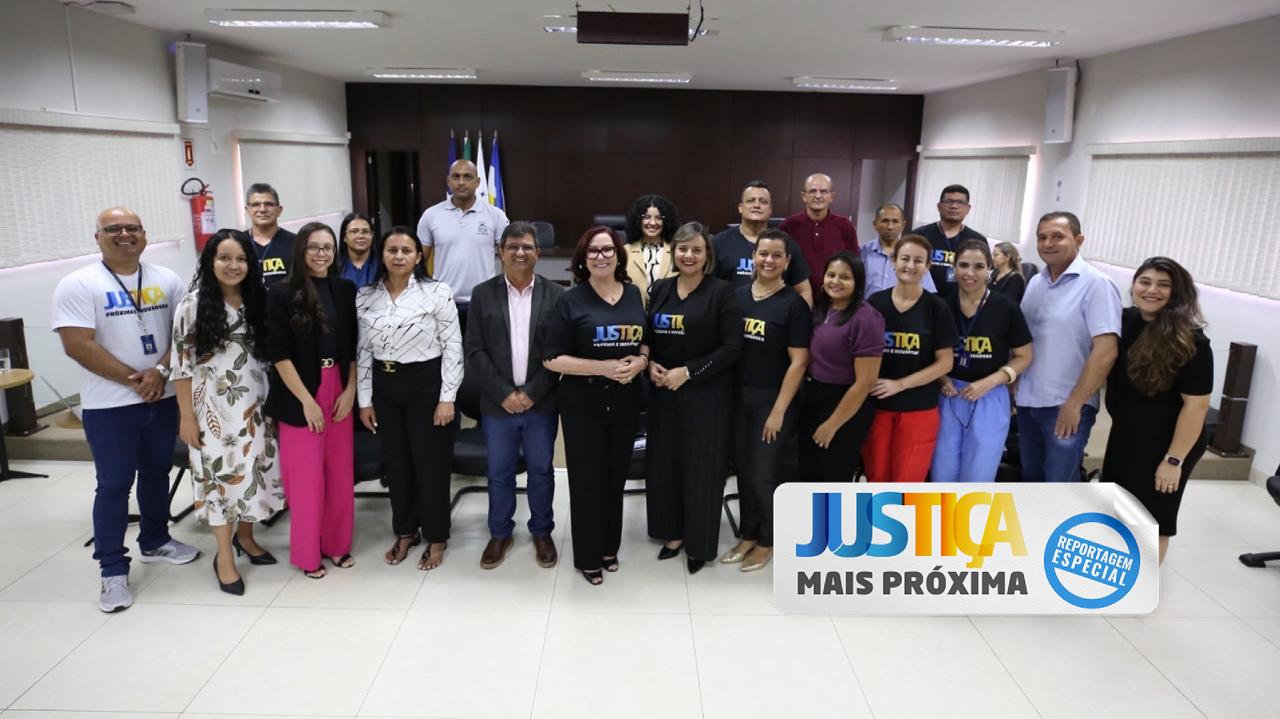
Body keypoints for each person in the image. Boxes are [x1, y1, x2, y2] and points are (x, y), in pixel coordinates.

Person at [52, 207, 200, 612]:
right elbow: (77, 344)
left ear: (144, 235)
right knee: (114, 485)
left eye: (131, 228)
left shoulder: (166, 279)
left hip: (163, 398)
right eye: (113, 229)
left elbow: (183, 334)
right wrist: (135, 380)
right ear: (97, 236)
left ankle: (155, 540)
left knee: (156, 473)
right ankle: (112, 570)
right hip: (110, 405)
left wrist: (161, 372)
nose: (124, 234)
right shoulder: (79, 283)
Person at [170, 229, 284, 595]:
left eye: (241, 259)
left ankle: (246, 538)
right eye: (224, 258)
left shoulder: (258, 299)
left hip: (258, 404)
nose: (233, 265)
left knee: (254, 473)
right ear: (211, 261)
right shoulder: (192, 305)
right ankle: (223, 556)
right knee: (221, 481)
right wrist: (186, 417)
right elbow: (181, 367)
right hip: (212, 411)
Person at [544, 226, 648, 586]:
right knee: (588, 482)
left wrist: (641, 361)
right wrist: (602, 367)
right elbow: (552, 359)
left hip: (625, 401)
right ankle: (588, 557)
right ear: (583, 259)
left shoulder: (633, 294)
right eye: (593, 251)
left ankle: (608, 549)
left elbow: (645, 341)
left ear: (618, 255)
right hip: (582, 402)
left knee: (615, 479)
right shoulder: (570, 300)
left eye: (607, 250)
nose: (601, 256)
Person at [356, 227, 461, 571]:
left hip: (426, 386)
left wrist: (447, 398)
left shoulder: (437, 292)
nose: (399, 256)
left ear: (419, 256)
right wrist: (365, 400)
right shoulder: (366, 296)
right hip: (386, 387)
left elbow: (453, 347)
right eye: (392, 250)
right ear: (382, 255)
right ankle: (405, 531)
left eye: (406, 250)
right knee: (397, 465)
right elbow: (362, 351)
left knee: (430, 466)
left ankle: (436, 535)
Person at [464, 221, 565, 570]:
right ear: (500, 252)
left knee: (541, 470)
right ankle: (500, 533)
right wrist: (505, 393)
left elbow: (559, 350)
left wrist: (532, 393)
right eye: (512, 247)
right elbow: (474, 349)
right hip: (498, 404)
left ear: (538, 252)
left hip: (541, 401)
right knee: (499, 472)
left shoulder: (557, 295)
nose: (520, 253)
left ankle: (542, 531)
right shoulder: (482, 294)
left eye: (527, 247)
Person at [645, 222, 742, 574]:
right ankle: (672, 534)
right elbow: (648, 336)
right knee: (664, 465)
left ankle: (699, 543)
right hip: (663, 394)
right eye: (683, 249)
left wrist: (687, 372)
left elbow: (732, 347)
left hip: (706, 394)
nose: (689, 255)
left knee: (703, 470)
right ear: (674, 252)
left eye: (696, 250)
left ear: (707, 255)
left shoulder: (722, 292)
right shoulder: (661, 288)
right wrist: (650, 364)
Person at [264, 222, 358, 578]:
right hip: (300, 391)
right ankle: (307, 555)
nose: (322, 253)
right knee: (306, 481)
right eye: (314, 247)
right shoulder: (281, 292)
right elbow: (278, 353)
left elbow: (352, 346)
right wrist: (306, 400)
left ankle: (337, 545)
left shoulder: (344, 289)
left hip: (339, 387)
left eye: (328, 247)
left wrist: (350, 390)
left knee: (339, 476)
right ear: (301, 251)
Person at [1103, 257, 1212, 563]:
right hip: (1127, 434)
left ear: (1178, 293)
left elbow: (1197, 406)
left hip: (1170, 442)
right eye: (1145, 282)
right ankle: (1118, 574)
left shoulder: (1191, 340)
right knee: (1118, 508)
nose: (1152, 290)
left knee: (1153, 519)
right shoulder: (1124, 321)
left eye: (1163, 285)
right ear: (1134, 285)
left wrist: (1173, 461)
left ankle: (1142, 581)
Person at [724, 229, 811, 572]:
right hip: (738, 398)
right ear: (753, 257)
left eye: (777, 255)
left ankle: (768, 540)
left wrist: (778, 411)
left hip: (773, 402)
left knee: (763, 475)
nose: (769, 260)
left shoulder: (794, 305)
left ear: (787, 261)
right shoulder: (737, 296)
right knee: (744, 472)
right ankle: (748, 533)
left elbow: (799, 362)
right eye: (763, 254)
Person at [1017, 212, 1122, 483]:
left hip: (1065, 405)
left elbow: (1106, 351)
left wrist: (1075, 403)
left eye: (1057, 237)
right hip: (1029, 401)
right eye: (1042, 237)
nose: (1048, 243)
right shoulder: (1036, 282)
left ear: (1079, 240)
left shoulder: (1096, 284)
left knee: (1060, 486)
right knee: (1031, 480)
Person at [932, 240, 1033, 482]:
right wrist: (942, 378)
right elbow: (930, 353)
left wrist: (989, 382)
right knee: (942, 473)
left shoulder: (1006, 308)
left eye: (978, 266)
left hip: (989, 396)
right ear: (954, 267)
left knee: (979, 476)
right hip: (948, 395)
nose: (970, 273)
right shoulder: (941, 306)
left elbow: (1025, 356)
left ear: (989, 269)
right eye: (963, 265)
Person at [863, 235, 957, 482]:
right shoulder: (875, 303)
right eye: (905, 258)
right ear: (893, 261)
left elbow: (945, 362)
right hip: (878, 407)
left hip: (919, 409)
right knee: (876, 478)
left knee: (908, 482)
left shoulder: (937, 308)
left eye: (918, 260)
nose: (910, 265)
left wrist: (900, 384)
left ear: (927, 266)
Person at [800, 251, 884, 483]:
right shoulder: (821, 310)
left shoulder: (866, 318)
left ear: (858, 282)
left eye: (845, 277)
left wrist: (832, 425)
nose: (835, 281)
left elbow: (865, 382)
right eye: (831, 275)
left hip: (845, 404)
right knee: (809, 475)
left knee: (833, 478)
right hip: (814, 398)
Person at [416, 159, 510, 332]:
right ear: (448, 180)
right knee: (446, 349)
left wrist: (500, 293)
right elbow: (418, 260)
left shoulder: (496, 215)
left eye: (467, 177)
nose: (461, 182)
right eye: (456, 176)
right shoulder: (431, 215)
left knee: (480, 349)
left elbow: (508, 259)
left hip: (484, 301)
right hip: (443, 302)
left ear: (478, 182)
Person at [711, 181, 813, 306]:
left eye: (763, 202)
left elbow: (804, 291)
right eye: (751, 200)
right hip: (730, 314)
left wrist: (801, 316)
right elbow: (707, 289)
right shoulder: (718, 242)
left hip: (775, 316)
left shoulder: (786, 244)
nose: (757, 205)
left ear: (770, 210)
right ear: (740, 207)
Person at [779, 173, 857, 297]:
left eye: (823, 191)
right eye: (812, 191)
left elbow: (854, 266)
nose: (818, 196)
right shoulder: (788, 226)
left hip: (835, 299)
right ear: (804, 196)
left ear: (831, 196)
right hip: (796, 298)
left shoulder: (845, 226)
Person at [911, 184, 987, 297]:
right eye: (949, 201)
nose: (954, 206)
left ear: (968, 209)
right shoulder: (919, 235)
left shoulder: (977, 240)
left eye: (960, 202)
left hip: (962, 301)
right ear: (939, 206)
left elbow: (983, 276)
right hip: (921, 298)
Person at [861, 203, 937, 297]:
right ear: (875, 224)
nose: (890, 227)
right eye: (885, 221)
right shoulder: (862, 252)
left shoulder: (914, 254)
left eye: (895, 221)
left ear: (902, 225)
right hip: (869, 305)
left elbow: (928, 291)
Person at [622, 194, 680, 306]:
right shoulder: (624, 252)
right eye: (647, 217)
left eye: (658, 218)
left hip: (667, 313)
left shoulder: (677, 252)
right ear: (638, 220)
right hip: (633, 313)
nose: (652, 223)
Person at [239, 183, 296, 286]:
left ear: (279, 210)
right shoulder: (237, 243)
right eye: (255, 205)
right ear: (247, 210)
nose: (262, 210)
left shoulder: (296, 242)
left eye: (269, 204)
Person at [337, 211, 379, 288]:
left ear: (372, 235)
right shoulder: (334, 268)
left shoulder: (383, 264)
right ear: (344, 237)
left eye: (365, 231)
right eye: (354, 231)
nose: (361, 236)